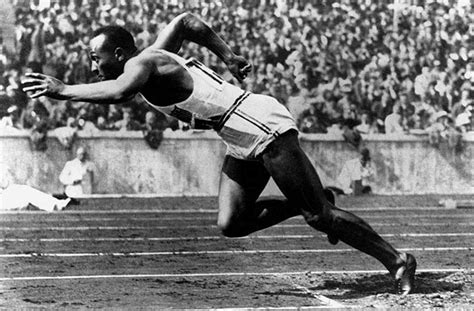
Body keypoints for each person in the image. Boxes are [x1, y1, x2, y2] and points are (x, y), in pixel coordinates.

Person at [22, 12, 416, 295]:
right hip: (236, 133)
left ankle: (397, 260)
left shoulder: (142, 64)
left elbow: (119, 93)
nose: (93, 67)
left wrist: (63, 90)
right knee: (232, 222)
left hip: (258, 123)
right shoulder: (153, 56)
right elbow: (186, 21)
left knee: (321, 216)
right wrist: (228, 56)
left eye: (97, 58)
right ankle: (305, 202)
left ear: (121, 53)